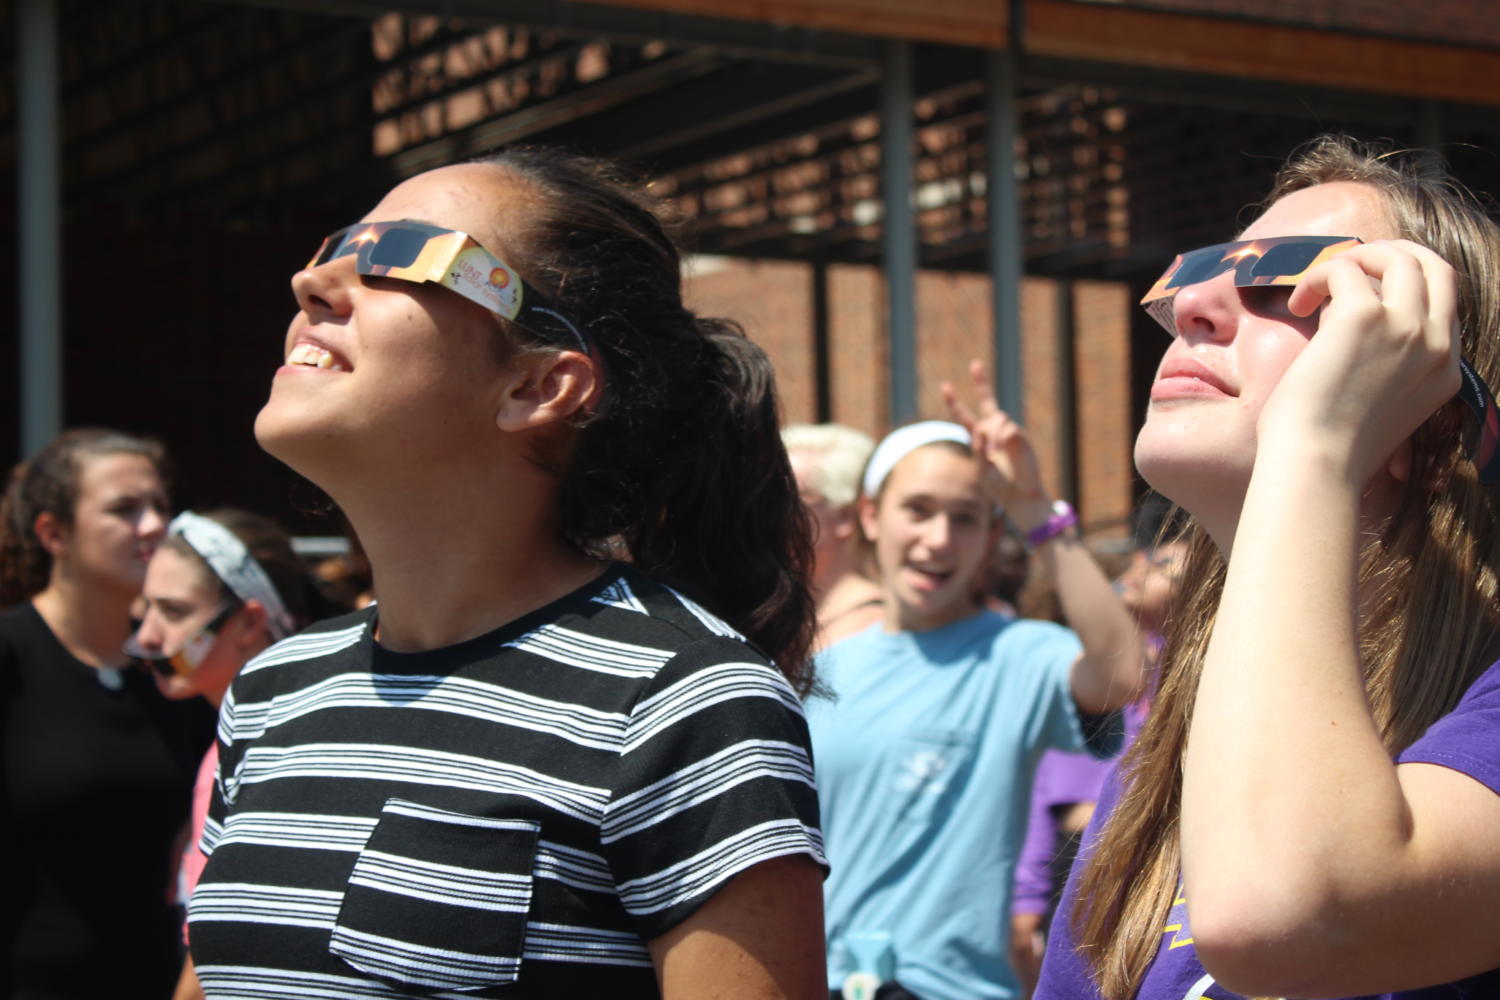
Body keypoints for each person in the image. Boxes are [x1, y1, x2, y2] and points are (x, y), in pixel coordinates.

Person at [185, 147, 827, 1000]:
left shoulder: (681, 703)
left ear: (538, 384)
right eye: (330, 250)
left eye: (398, 256)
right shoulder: (275, 690)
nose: (315, 284)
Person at [1036, 134, 1500, 999]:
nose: (1192, 308)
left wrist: (1317, 443)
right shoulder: (1175, 734)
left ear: (1435, 408)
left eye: (1289, 279)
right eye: (1199, 273)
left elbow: (1282, 918)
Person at [807, 365, 1145, 1000]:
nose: (938, 540)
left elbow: (1123, 672)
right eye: (918, 511)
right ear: (871, 516)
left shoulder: (1018, 655)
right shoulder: (821, 670)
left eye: (965, 518)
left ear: (991, 537)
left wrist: (1037, 510)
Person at [0, 428, 212, 1000]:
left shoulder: (172, 670)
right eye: (125, 510)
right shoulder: (12, 655)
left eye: (161, 507)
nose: (153, 526)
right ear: (53, 533)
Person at [122, 508, 342, 1000]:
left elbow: (208, 961)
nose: (149, 637)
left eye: (174, 612)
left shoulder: (253, 753)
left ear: (248, 621)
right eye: (145, 611)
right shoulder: (266, 731)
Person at [1008, 534, 1186, 996]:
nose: (1144, 565)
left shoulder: (1189, 671)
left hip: (1151, 863)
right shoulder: (1090, 669)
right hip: (1074, 862)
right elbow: (1043, 787)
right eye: (1148, 553)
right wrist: (1025, 898)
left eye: (1165, 561)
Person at [783, 423, 884, 647]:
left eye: (787, 498)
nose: (767, 511)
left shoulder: (869, 631)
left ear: (845, 517)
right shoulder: (798, 619)